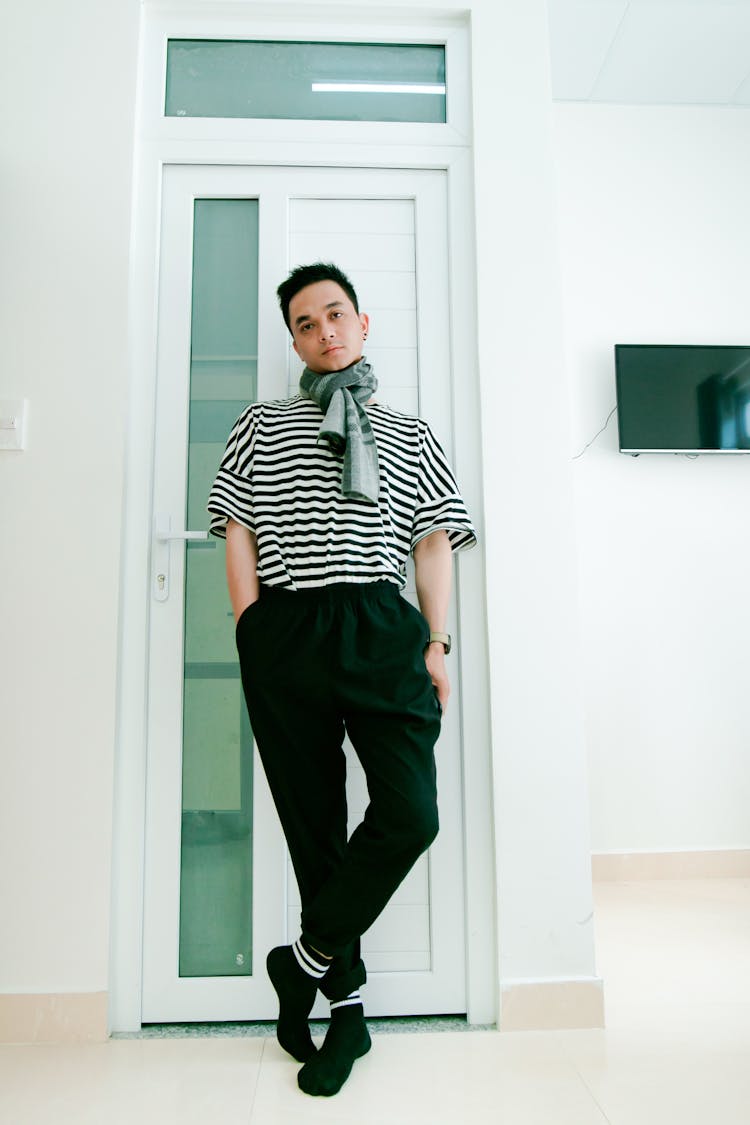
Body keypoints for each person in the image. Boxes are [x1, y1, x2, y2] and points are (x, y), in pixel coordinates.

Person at [207, 262, 476, 1096]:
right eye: (304, 323)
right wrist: (251, 627)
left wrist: (436, 641)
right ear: (293, 339)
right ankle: (348, 1016)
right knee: (314, 828)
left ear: (362, 322)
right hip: (289, 630)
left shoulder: (411, 432)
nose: (323, 331)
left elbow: (433, 540)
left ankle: (304, 961)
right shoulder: (261, 422)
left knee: (410, 813)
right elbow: (237, 526)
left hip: (382, 628)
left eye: (333, 315)